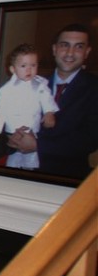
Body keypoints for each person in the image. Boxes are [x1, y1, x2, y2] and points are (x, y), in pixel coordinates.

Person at [7, 23, 98, 180]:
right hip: (20, 173)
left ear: (87, 52)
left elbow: (91, 138)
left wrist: (38, 146)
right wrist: (12, 137)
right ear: (55, 49)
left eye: (79, 46)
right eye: (64, 45)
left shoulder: (94, 88)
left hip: (65, 179)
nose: (70, 53)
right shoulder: (30, 82)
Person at [0, 43, 58, 170]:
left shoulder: (40, 86)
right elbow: (1, 109)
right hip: (13, 129)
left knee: (31, 160)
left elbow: (47, 99)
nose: (29, 70)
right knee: (13, 160)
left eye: (33, 65)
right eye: (23, 66)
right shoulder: (6, 90)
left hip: (33, 129)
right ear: (13, 69)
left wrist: (49, 112)